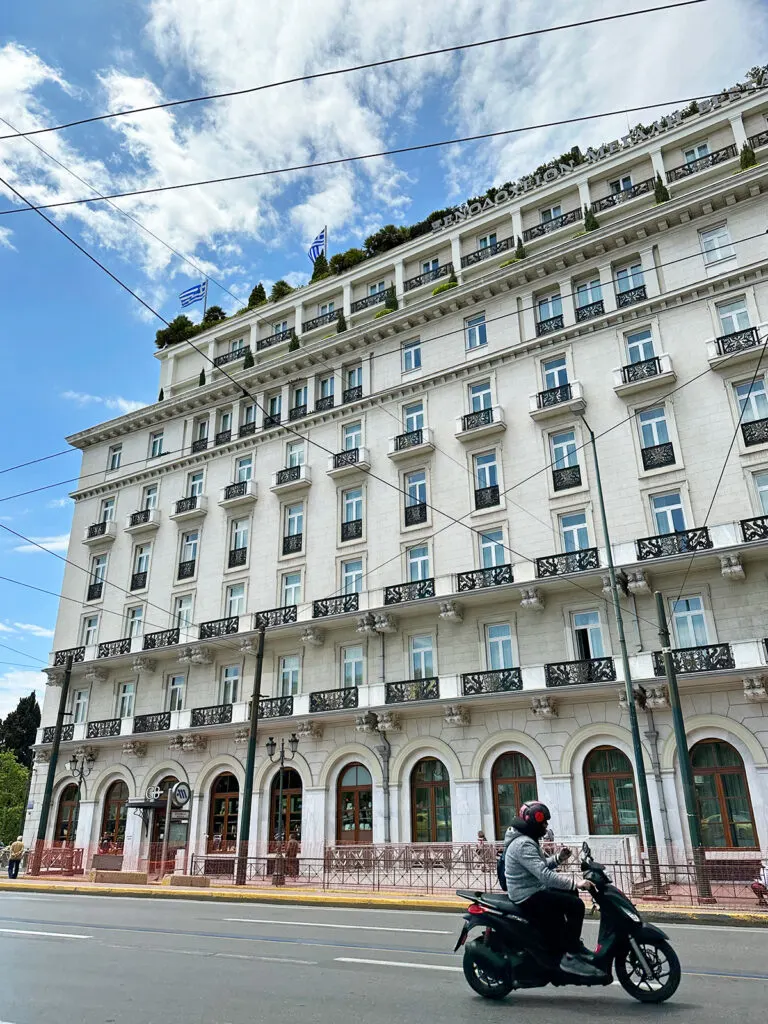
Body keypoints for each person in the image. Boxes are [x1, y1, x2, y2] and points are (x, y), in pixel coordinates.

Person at [504, 802, 602, 978]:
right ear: (533, 823)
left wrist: (558, 858)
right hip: (526, 894)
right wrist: (576, 883)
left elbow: (538, 866)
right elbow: (544, 874)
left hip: (532, 888)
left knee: (569, 895)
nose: (546, 827)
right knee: (576, 905)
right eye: (543, 823)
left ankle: (567, 943)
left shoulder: (526, 840)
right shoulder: (523, 844)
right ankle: (570, 955)